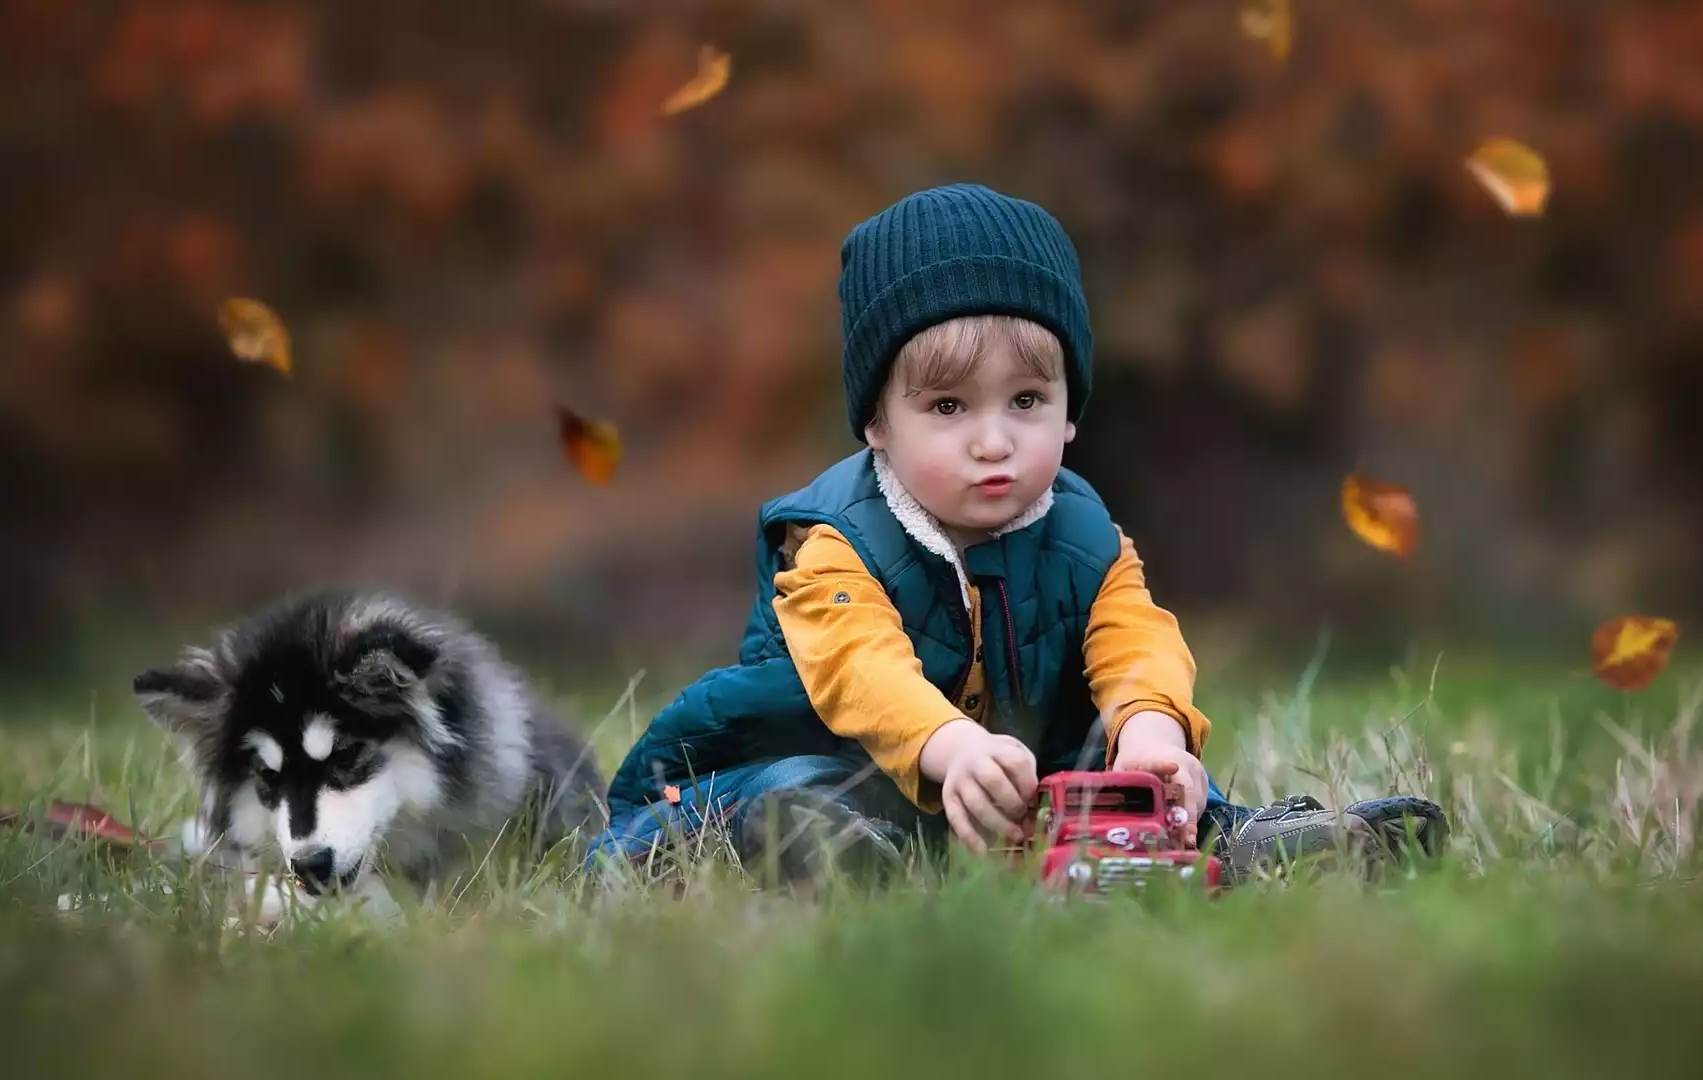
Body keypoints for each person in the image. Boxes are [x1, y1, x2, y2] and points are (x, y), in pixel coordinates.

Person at [587, 183, 1442, 884]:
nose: (994, 440)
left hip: (1019, 780)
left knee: (1140, 774)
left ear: (1071, 412)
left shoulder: (1083, 535)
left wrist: (1150, 727)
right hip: (838, 761)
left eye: (1027, 402)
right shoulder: (831, 542)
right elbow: (860, 671)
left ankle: (1242, 846)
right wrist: (949, 745)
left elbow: (1135, 636)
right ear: (876, 424)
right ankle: (824, 858)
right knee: (793, 790)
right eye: (948, 407)